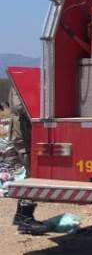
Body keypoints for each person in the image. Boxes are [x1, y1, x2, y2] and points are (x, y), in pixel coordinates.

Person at [7, 87, 47, 235]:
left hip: (25, 135)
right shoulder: (18, 86)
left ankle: (21, 216)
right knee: (33, 176)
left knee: (31, 175)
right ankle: (25, 217)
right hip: (23, 137)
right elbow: (20, 107)